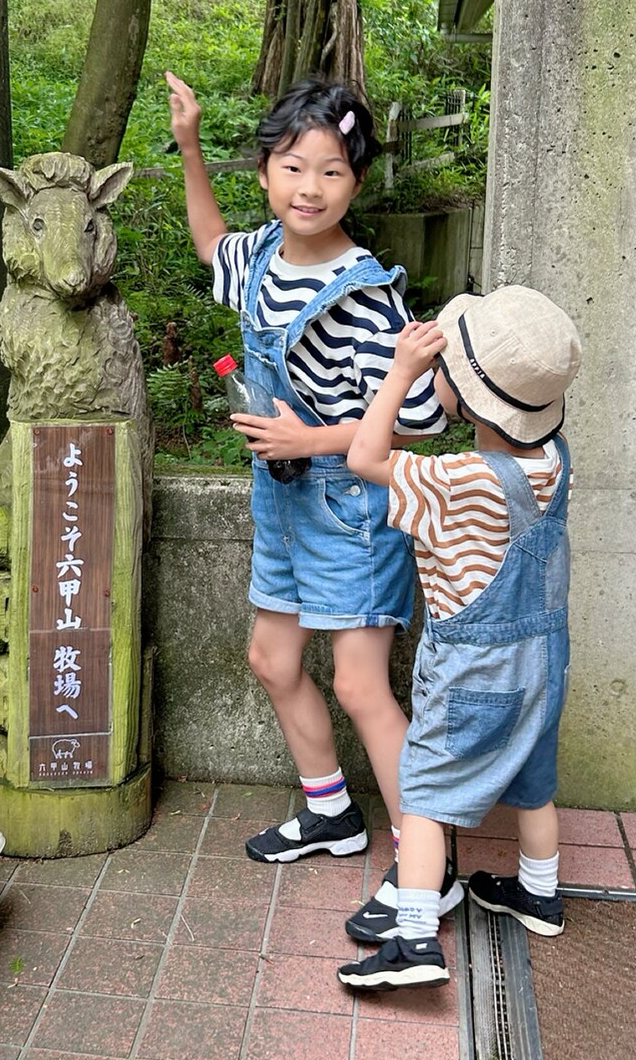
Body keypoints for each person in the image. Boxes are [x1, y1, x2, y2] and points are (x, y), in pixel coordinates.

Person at [166, 70, 460, 915]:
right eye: (294, 166)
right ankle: (331, 812)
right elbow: (207, 244)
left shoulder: (366, 291)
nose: (310, 187)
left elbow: (408, 417)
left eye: (332, 171)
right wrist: (188, 145)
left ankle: (425, 865)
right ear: (265, 172)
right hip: (281, 504)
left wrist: (308, 439)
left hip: (350, 509)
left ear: (355, 184)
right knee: (273, 658)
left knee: (363, 685)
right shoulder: (259, 254)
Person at [337, 285, 582, 991]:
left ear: (468, 400)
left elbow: (363, 455)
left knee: (426, 793)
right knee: (534, 783)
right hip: (543, 657)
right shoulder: (555, 461)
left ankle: (413, 938)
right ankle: (539, 893)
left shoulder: (451, 478)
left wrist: (399, 374)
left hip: (472, 668)